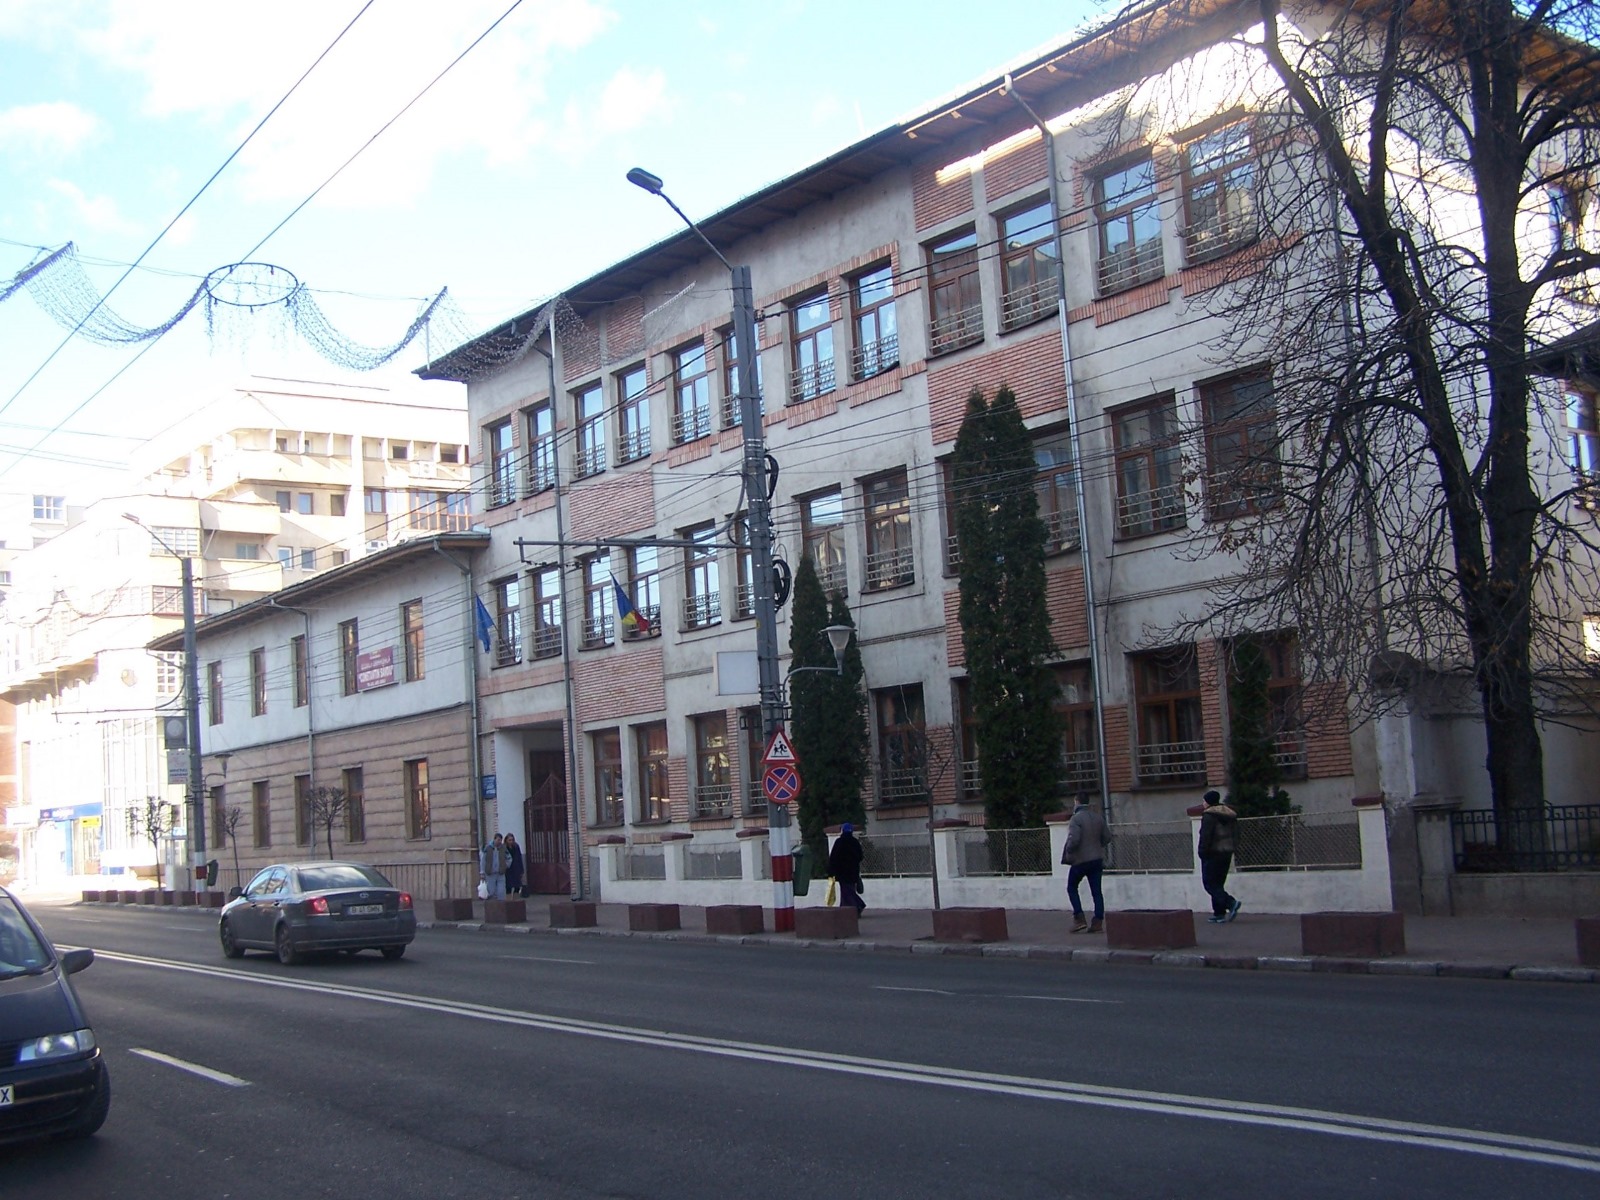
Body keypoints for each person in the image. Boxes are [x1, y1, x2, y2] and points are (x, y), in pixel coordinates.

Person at [1062, 792, 1109, 933]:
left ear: (1076, 801)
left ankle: (1079, 918)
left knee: (1071, 887)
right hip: (1096, 859)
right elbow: (1107, 837)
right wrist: (1096, 845)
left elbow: (1074, 840)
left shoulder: (1076, 819)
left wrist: (1069, 850)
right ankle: (1098, 921)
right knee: (1097, 892)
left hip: (1080, 860)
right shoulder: (1098, 817)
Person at [1197, 790, 1241, 923]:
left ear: (1208, 802)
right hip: (1226, 853)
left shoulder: (1209, 816)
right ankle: (1219, 913)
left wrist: (1202, 852)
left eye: (1204, 801)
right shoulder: (1229, 815)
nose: (1203, 803)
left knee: (1209, 884)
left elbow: (1206, 836)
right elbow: (1236, 834)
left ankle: (1231, 903)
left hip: (1212, 853)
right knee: (1218, 884)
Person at [827, 822, 866, 914]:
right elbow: (860, 856)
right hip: (853, 871)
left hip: (842, 872)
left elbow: (833, 858)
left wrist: (831, 872)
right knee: (849, 890)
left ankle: (857, 906)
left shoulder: (839, 842)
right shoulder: (855, 842)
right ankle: (846, 909)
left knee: (846, 891)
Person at [480, 832, 508, 901]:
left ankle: (501, 904)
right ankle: (492, 904)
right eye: (498, 840)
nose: (499, 842)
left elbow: (509, 858)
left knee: (501, 891)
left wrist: (505, 866)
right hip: (490, 873)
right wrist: (482, 872)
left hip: (500, 872)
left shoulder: (503, 848)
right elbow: (483, 861)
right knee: (491, 891)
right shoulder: (487, 848)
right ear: (494, 839)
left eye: (500, 840)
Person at [504, 833, 525, 898]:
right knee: (508, 886)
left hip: (516, 868)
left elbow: (519, 858)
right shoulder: (504, 848)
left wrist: (521, 870)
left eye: (512, 840)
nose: (511, 841)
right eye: (509, 840)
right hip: (508, 869)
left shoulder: (516, 846)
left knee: (517, 886)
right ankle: (508, 900)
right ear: (506, 840)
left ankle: (516, 900)